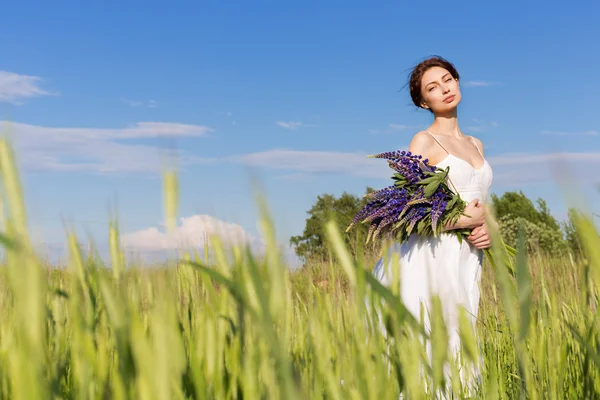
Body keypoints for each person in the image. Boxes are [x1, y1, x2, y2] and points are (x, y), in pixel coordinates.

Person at [371, 56, 495, 392]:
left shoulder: (476, 144)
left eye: (448, 79)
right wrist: (461, 219)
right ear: (423, 102)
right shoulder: (424, 142)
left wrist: (486, 230)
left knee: (461, 336)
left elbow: (481, 201)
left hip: (467, 256)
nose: (444, 89)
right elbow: (407, 212)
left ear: (457, 81)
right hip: (430, 256)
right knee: (433, 338)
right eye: (433, 87)